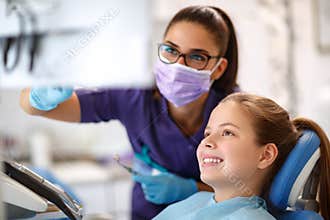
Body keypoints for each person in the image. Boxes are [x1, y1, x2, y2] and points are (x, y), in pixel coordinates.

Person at [19, 5, 240, 219]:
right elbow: (32, 107)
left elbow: (252, 193)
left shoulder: (237, 112)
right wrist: (40, 96)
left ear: (218, 68)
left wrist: (195, 190)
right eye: (171, 50)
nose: (178, 65)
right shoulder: (133, 96)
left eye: (197, 57)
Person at [153, 93, 330, 220]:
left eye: (227, 132)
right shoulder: (196, 201)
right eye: (207, 133)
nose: (207, 142)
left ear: (265, 156)